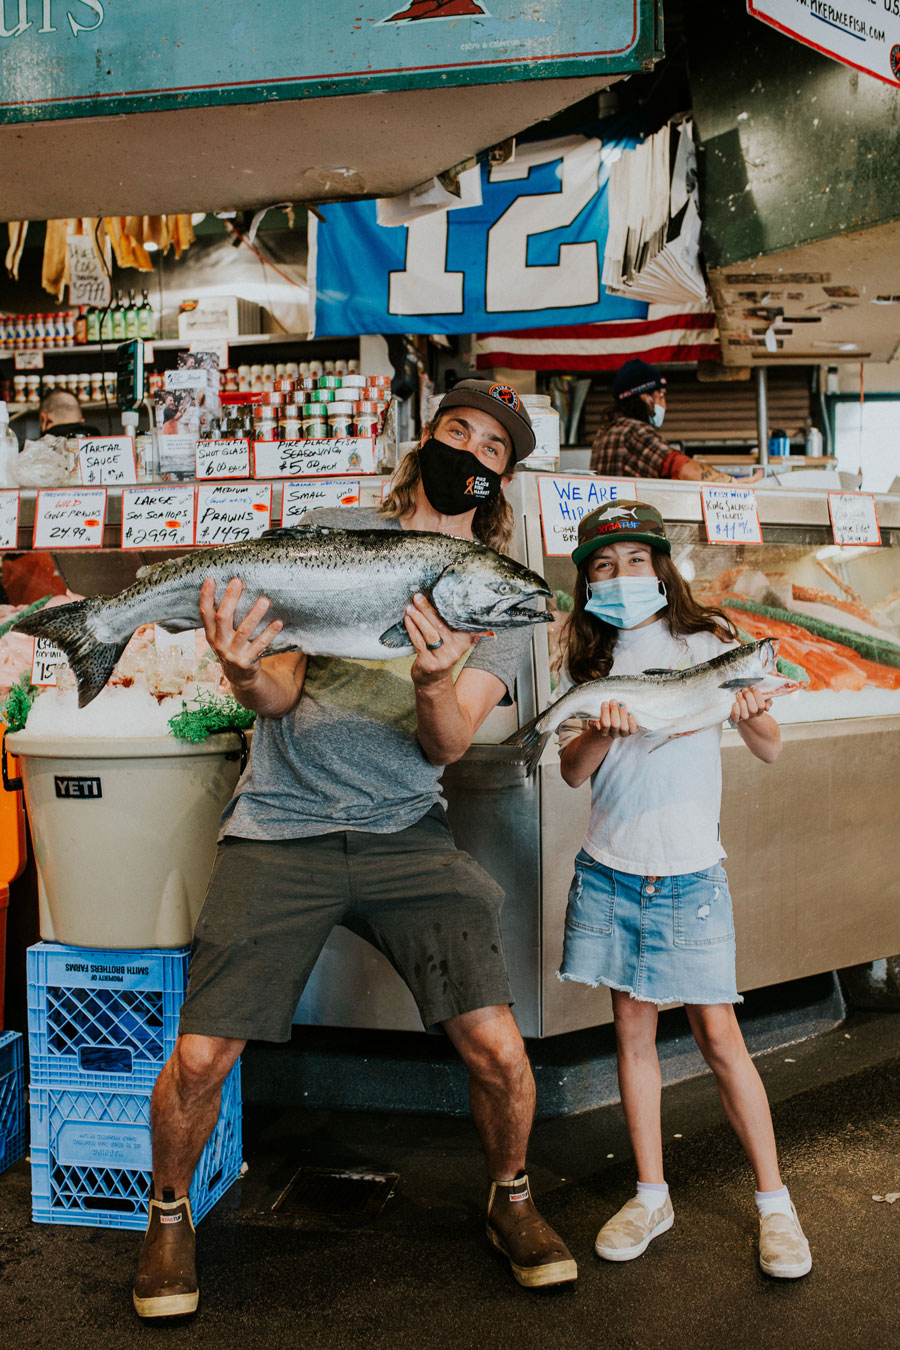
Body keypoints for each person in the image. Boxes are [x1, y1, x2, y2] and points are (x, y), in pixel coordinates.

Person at [133, 379, 577, 1319]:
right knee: (204, 1052)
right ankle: (167, 1218)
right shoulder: (335, 528)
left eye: (493, 448)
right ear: (427, 441)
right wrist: (242, 665)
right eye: (458, 429)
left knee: (500, 1049)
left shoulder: (492, 601)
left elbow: (448, 743)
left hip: (404, 833)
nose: (470, 450)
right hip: (279, 826)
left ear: (499, 481)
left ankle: (512, 1196)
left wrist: (430, 676)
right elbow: (278, 696)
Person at [554, 499, 811, 1280]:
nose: (622, 575)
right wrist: (602, 725)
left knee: (720, 1039)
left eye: (636, 560)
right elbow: (571, 770)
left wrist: (750, 707)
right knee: (632, 1037)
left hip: (692, 873)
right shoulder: (588, 661)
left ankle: (776, 1205)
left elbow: (768, 748)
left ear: (662, 568)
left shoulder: (712, 642)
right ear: (588, 581)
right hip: (610, 868)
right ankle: (650, 1193)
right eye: (604, 565)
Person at [590, 359, 762, 485]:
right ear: (645, 398)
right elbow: (680, 467)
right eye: (661, 395)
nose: (664, 404)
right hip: (632, 527)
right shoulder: (635, 431)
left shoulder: (606, 432)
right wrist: (733, 482)